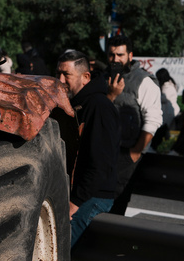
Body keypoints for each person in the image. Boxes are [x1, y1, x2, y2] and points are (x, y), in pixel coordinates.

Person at [56, 49, 120, 247]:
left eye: (66, 74)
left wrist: (74, 203)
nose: (60, 80)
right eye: (58, 73)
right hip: (77, 193)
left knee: (57, 249)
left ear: (85, 77)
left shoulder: (98, 107)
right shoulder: (75, 105)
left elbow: (100, 163)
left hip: (92, 197)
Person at [105, 34, 161, 207]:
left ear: (130, 55)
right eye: (112, 55)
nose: (115, 59)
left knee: (115, 202)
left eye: (120, 55)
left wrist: (135, 152)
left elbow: (153, 120)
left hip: (126, 151)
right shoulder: (103, 77)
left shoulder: (143, 81)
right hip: (104, 149)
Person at [152, 68, 179, 150]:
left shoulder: (168, 87)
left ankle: (158, 146)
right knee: (165, 130)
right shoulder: (168, 85)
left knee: (163, 129)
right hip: (167, 111)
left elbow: (163, 98)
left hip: (169, 111)